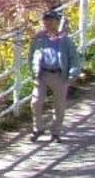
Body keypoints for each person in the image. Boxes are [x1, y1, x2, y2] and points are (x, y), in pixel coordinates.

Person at [29, 8, 83, 140]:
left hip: (59, 74)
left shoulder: (65, 40)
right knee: (36, 101)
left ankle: (56, 131)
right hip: (42, 74)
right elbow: (31, 55)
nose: (48, 23)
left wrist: (72, 74)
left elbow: (74, 58)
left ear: (57, 22)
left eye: (51, 20)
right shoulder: (39, 39)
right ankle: (38, 128)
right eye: (46, 20)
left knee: (59, 105)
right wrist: (33, 70)